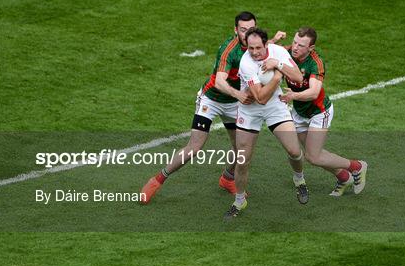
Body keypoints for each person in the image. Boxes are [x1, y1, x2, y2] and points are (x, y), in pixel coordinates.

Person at [140, 12, 285, 204]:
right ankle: (157, 180)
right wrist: (239, 95)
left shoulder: (255, 46)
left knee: (240, 149)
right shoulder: (229, 51)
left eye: (250, 29)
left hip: (234, 104)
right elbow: (219, 82)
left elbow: (269, 52)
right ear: (235, 30)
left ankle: (227, 178)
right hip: (212, 100)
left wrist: (275, 41)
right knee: (195, 147)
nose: (247, 33)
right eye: (243, 30)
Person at [225, 27, 308, 219]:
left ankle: (299, 180)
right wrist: (279, 75)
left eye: (258, 48)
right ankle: (239, 201)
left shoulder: (278, 52)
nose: (254, 52)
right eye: (250, 48)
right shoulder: (246, 63)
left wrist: (277, 64)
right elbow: (260, 98)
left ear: (266, 44)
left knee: (294, 151)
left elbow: (298, 77)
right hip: (250, 110)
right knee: (243, 160)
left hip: (275, 107)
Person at [278, 27, 367, 197]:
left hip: (319, 112)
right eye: (295, 41)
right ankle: (343, 177)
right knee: (314, 153)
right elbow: (262, 47)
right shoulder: (287, 52)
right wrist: (274, 40)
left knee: (313, 156)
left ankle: (357, 167)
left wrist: (293, 96)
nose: (295, 47)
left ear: (310, 48)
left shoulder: (315, 63)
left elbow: (313, 92)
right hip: (300, 112)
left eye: (301, 45)